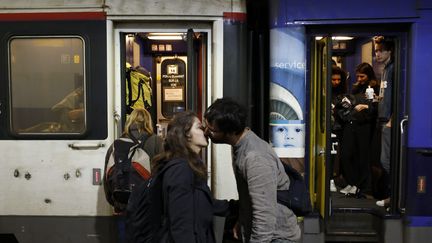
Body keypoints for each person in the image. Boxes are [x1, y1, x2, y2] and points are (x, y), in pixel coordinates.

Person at [204, 98, 301, 243]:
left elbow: (264, 216)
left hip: (277, 237)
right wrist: (242, 221)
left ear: (230, 132)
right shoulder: (241, 145)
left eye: (211, 130)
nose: (206, 132)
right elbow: (250, 197)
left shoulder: (255, 158)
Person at [151, 111, 230, 242]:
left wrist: (238, 207)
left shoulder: (188, 167)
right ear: (186, 134)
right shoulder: (180, 170)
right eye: (200, 127)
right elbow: (181, 225)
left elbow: (202, 204)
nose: (206, 131)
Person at [105, 108, 163, 243]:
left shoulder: (116, 145)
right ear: (148, 122)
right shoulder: (157, 142)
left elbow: (107, 178)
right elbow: (163, 173)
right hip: (149, 206)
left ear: (129, 121)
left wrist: (114, 201)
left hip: (123, 204)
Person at [337, 63, 378, 196]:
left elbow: (375, 108)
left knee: (362, 157)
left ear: (369, 75)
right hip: (352, 122)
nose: (359, 79)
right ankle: (353, 182)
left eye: (362, 76)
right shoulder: (356, 88)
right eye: (358, 76)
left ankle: (361, 185)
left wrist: (365, 107)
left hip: (364, 125)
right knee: (347, 154)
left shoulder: (374, 88)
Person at [373, 36, 395, 207]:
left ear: (390, 51)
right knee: (383, 160)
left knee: (387, 160)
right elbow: (387, 95)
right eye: (376, 51)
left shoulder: (394, 68)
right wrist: (378, 98)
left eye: (381, 51)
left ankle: (394, 197)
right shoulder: (385, 69)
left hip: (389, 121)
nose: (377, 54)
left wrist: (392, 119)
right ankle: (392, 196)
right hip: (382, 118)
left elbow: (400, 95)